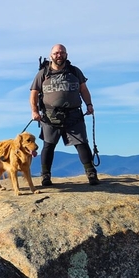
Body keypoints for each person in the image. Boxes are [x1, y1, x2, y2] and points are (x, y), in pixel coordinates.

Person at [29, 44, 99, 186]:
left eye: (62, 53)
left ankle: (91, 174)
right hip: (49, 116)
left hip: (74, 114)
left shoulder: (75, 71)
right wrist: (35, 111)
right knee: (48, 145)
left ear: (66, 55)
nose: (59, 55)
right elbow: (34, 93)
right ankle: (45, 176)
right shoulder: (43, 73)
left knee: (82, 144)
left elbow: (83, 89)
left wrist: (89, 105)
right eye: (56, 53)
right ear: (51, 56)